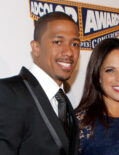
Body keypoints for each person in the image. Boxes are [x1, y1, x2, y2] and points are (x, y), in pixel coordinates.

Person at [0, 12, 80, 155]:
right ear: (36, 48)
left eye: (75, 44)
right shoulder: (7, 93)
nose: (69, 52)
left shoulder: (63, 102)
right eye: (58, 42)